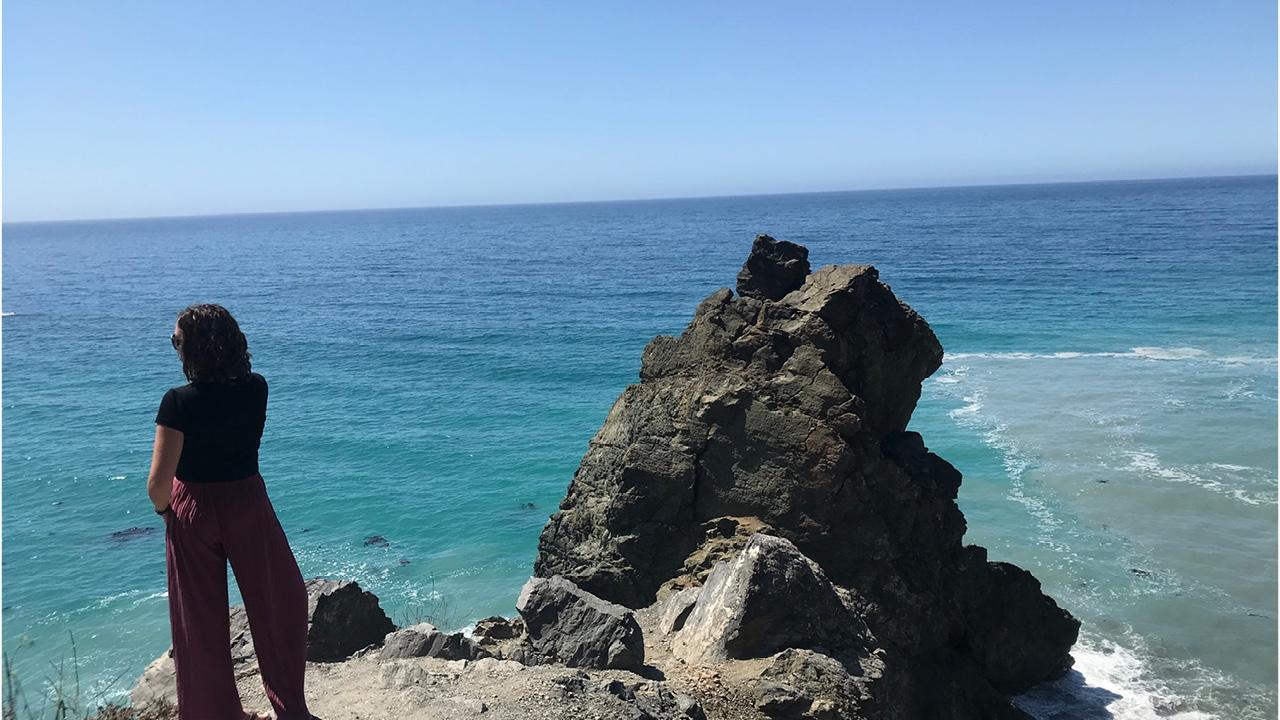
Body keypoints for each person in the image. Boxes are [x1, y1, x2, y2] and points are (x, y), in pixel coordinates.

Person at [145, 303, 316, 720]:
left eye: (176, 341)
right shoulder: (256, 388)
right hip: (247, 502)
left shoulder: (178, 402)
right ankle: (291, 709)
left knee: (198, 620)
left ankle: (216, 714)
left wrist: (166, 510)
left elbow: (157, 484)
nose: (175, 348)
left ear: (193, 348)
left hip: (192, 509)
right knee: (280, 602)